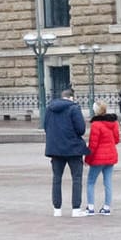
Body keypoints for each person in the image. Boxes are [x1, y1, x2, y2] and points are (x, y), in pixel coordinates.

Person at [43, 87, 88, 217]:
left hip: (55, 149)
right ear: (71, 97)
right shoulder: (74, 108)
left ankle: (57, 209)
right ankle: (76, 209)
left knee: (56, 178)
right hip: (73, 149)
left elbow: (46, 127)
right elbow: (81, 129)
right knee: (76, 179)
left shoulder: (50, 109)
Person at [84, 102, 120, 215]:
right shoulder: (113, 123)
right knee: (108, 182)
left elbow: (93, 144)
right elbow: (117, 140)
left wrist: (87, 158)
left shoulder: (96, 124)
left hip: (98, 158)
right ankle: (107, 207)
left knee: (90, 181)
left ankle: (90, 207)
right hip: (111, 155)